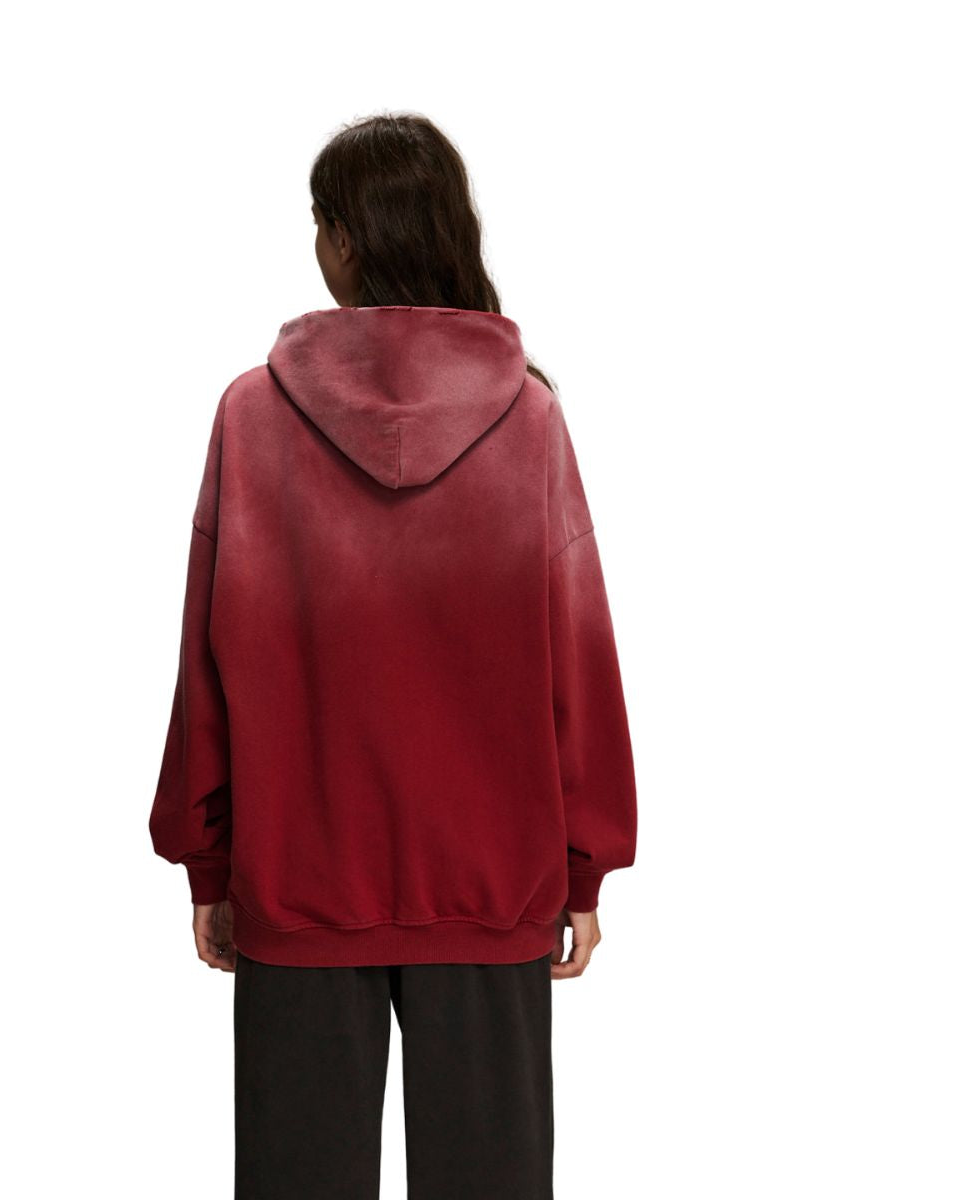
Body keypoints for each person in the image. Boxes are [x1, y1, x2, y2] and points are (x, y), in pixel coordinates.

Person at [148, 111, 637, 1200]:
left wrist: (209, 856)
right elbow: (579, 658)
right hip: (492, 882)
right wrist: (584, 863)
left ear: (347, 239)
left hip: (299, 878)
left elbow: (208, 657)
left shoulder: (252, 415)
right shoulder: (528, 418)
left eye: (319, 220)